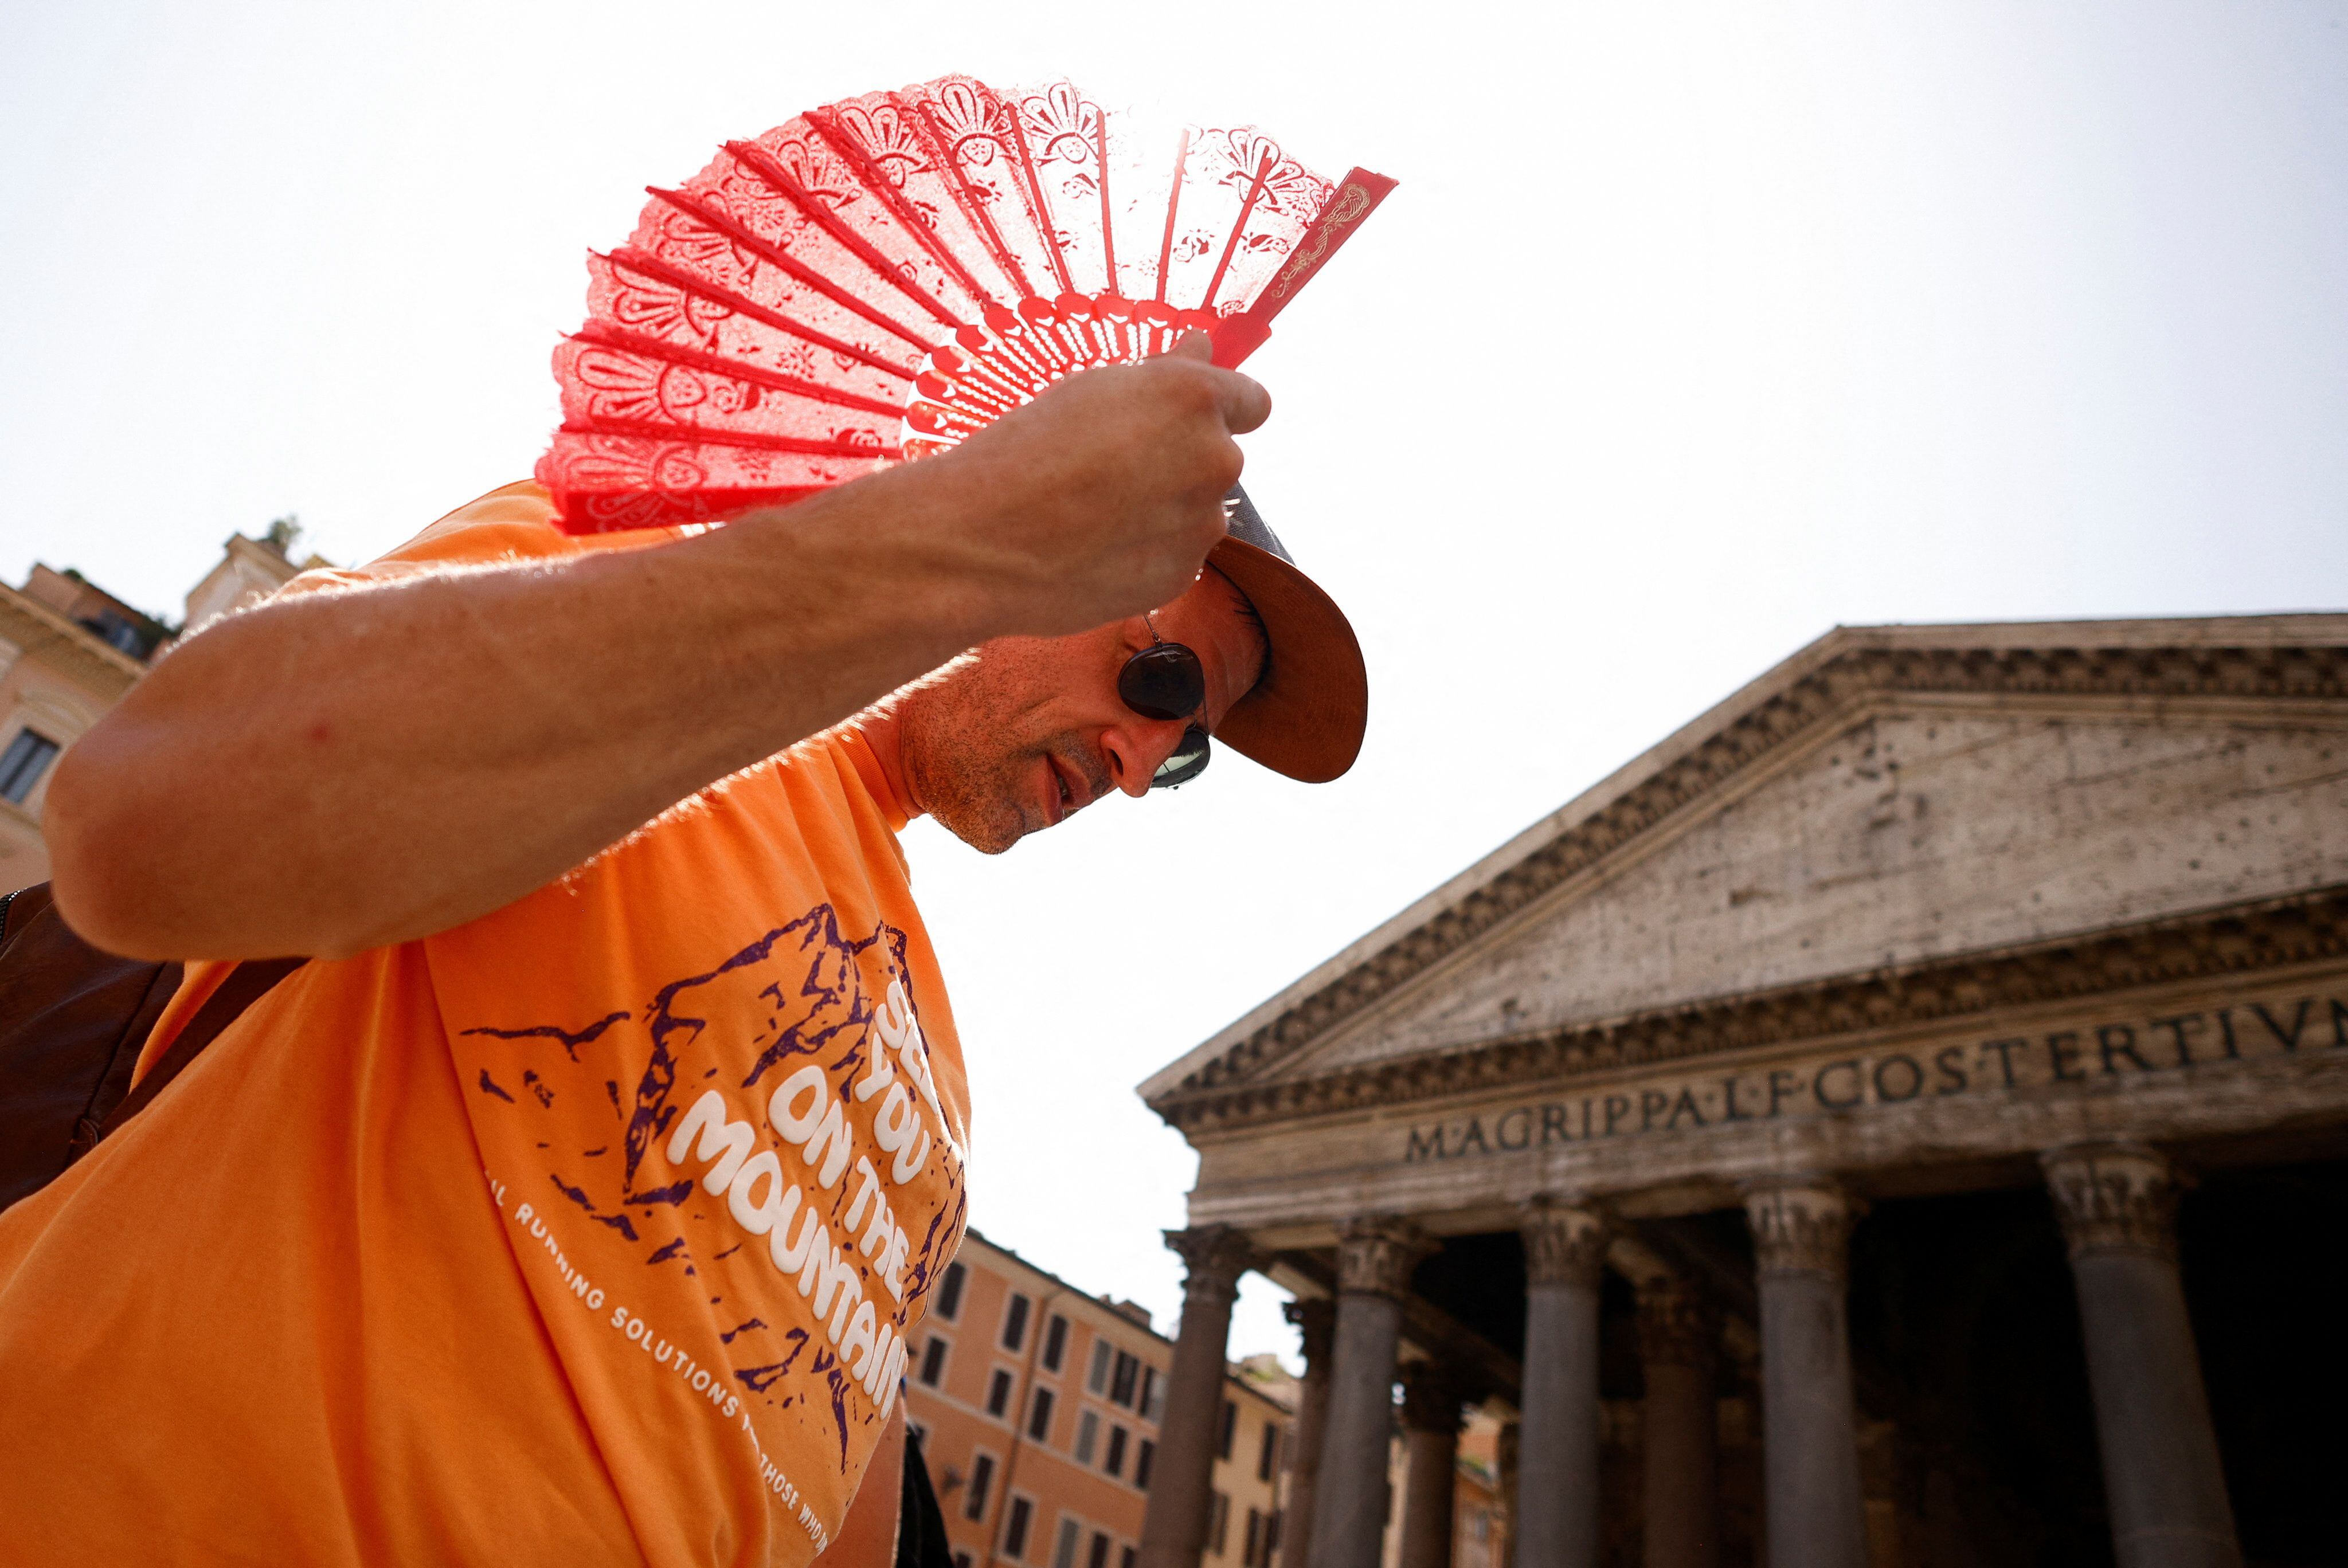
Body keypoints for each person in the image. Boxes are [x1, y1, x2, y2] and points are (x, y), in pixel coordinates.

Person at [0, 334, 1368, 1566]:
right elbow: (144, 817)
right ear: (1041, 559)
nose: (1140, 767)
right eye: (1161, 680)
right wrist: (938, 543)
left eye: (1184, 757)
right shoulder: (637, 601)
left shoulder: (939, 1080)